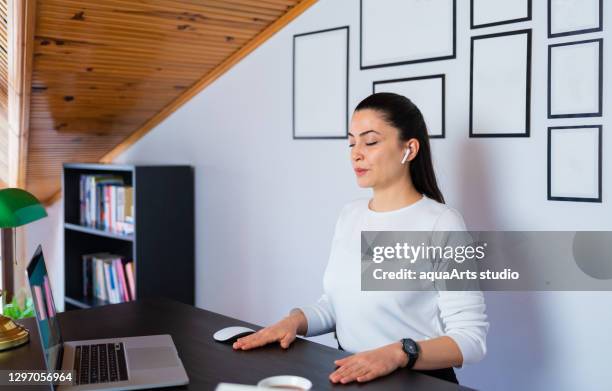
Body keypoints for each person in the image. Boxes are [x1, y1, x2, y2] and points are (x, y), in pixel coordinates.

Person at [232, 93, 488, 385]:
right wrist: (295, 321)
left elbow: (470, 339)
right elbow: (337, 305)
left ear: (410, 149)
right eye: (352, 142)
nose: (356, 153)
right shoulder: (350, 215)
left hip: (416, 381)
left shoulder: (442, 223)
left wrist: (398, 352)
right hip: (352, 375)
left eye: (370, 142)